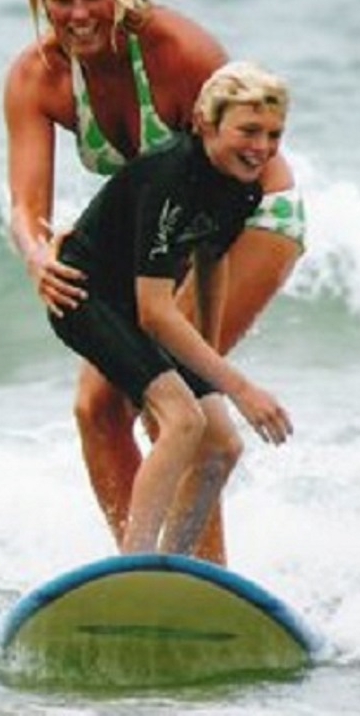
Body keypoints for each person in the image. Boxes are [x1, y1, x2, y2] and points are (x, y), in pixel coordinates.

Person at [3, 0, 304, 561]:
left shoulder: (177, 51)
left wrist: (218, 371)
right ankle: (140, 575)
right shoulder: (37, 76)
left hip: (247, 221)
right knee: (96, 409)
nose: (78, 14)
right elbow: (27, 207)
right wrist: (37, 255)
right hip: (164, 233)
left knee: (178, 408)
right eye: (62, 0)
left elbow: (235, 170)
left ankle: (201, 573)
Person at [45, 61, 295, 554]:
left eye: (274, 135)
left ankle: (173, 568)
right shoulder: (171, 178)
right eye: (248, 131)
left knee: (222, 446)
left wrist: (208, 356)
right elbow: (154, 312)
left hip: (138, 306)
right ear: (206, 123)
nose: (262, 147)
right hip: (86, 298)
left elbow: (211, 259)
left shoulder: (242, 186)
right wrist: (240, 388)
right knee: (184, 420)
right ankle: (135, 563)